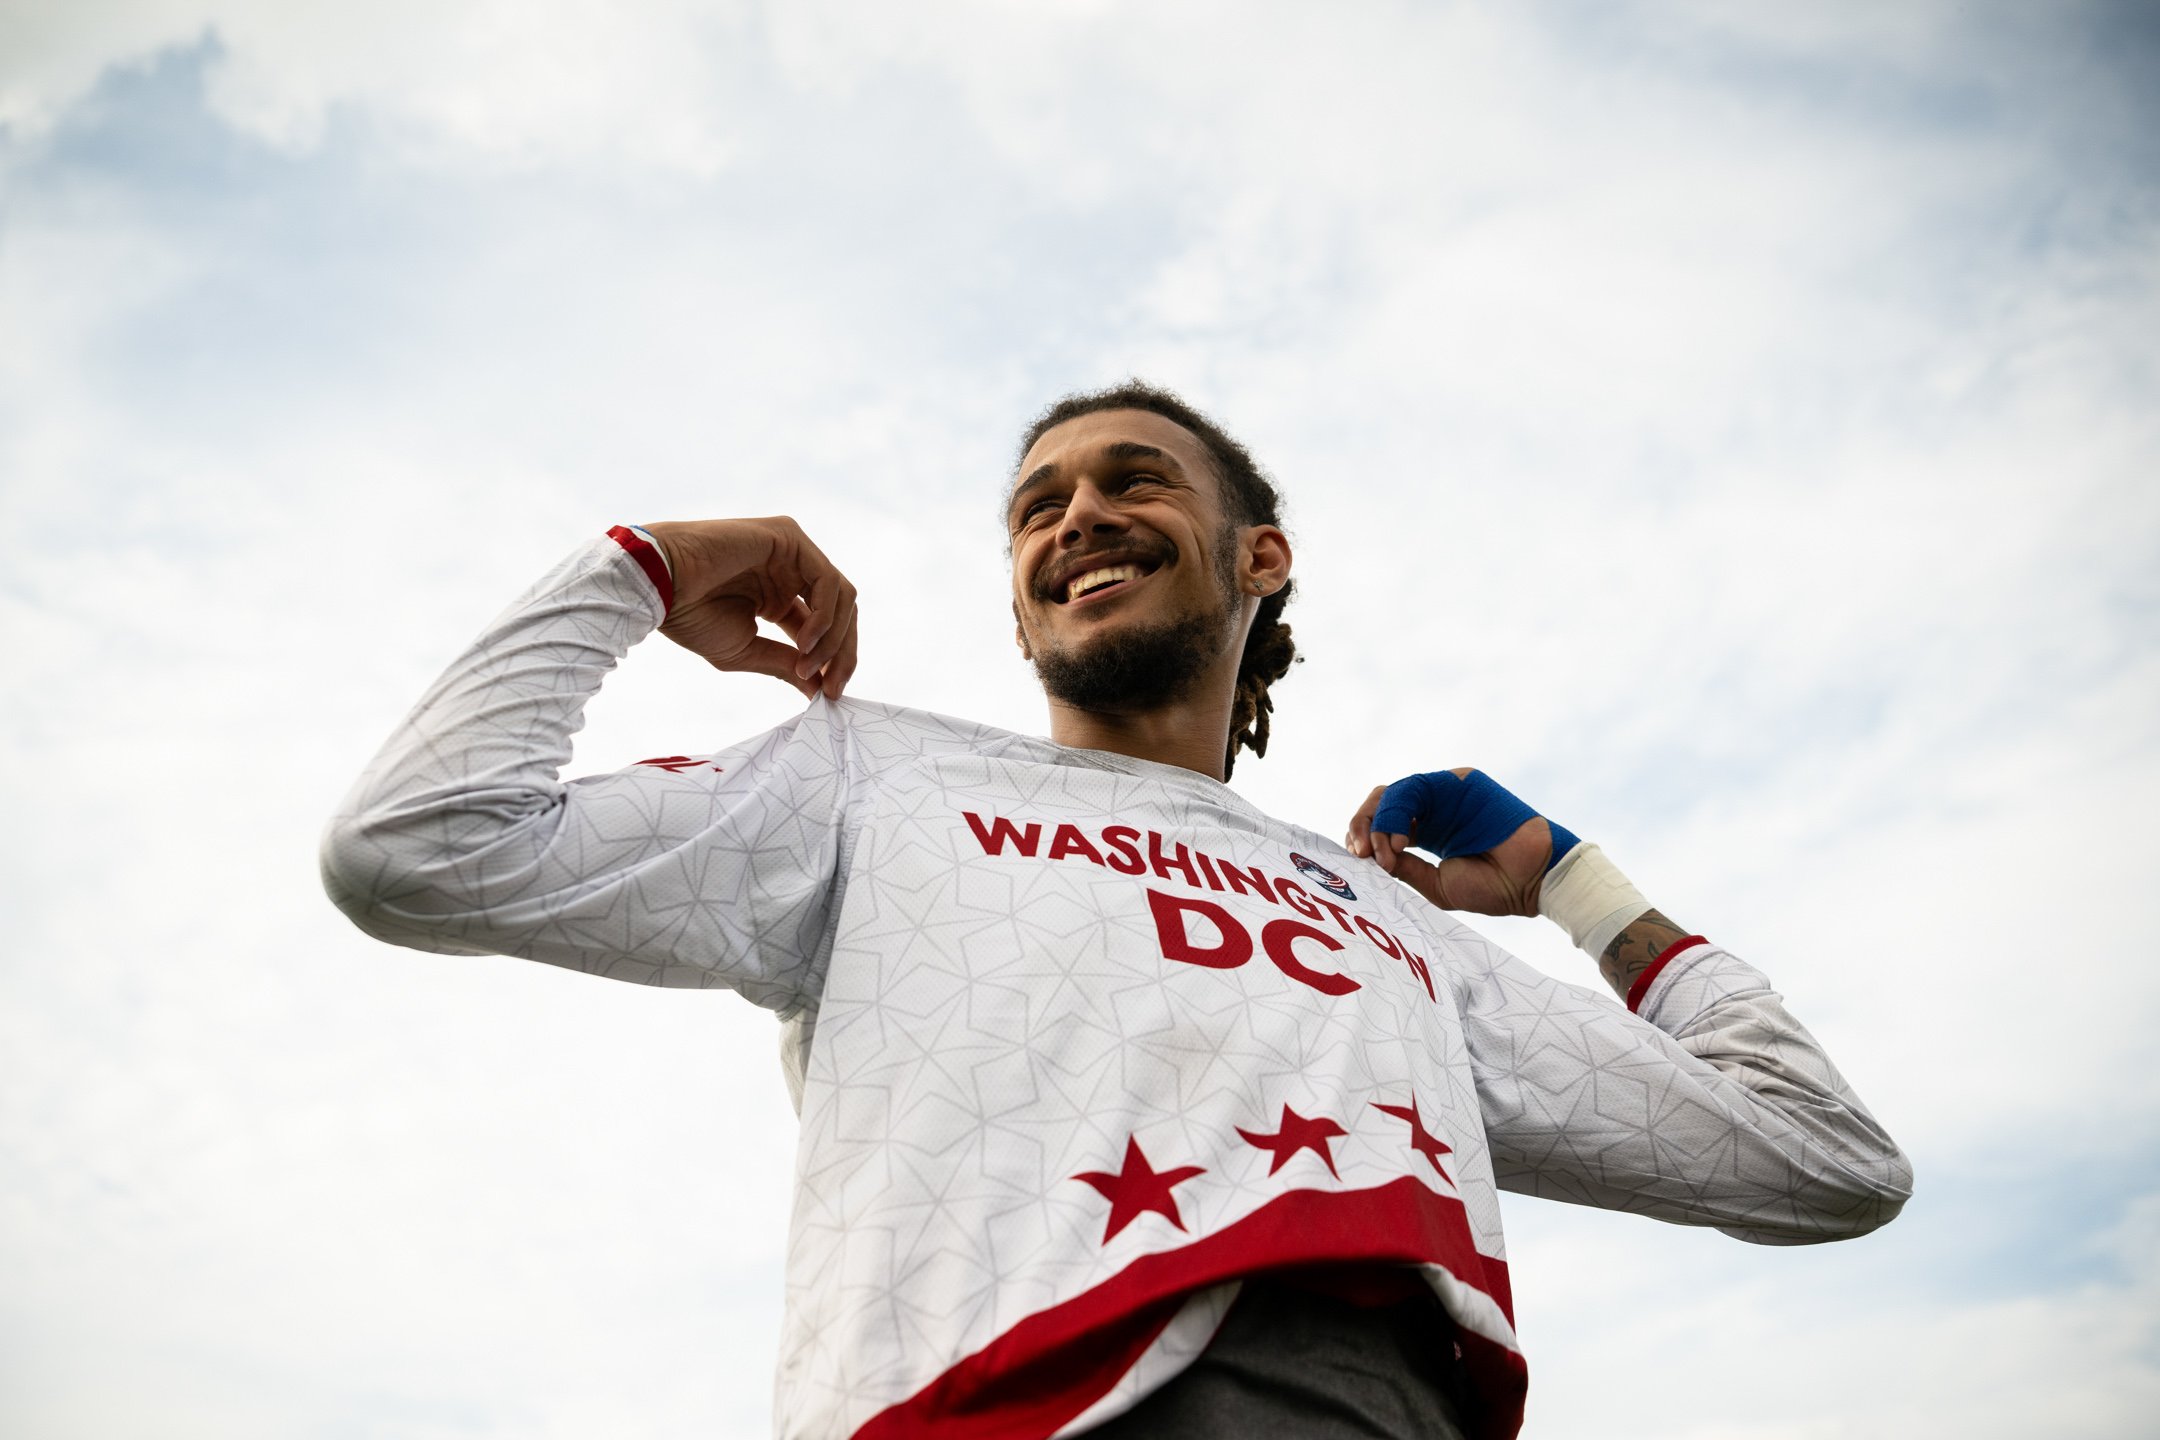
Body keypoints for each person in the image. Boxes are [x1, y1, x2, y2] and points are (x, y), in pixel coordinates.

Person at [321, 382, 1909, 1439]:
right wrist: (651, 564)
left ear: (1257, 556)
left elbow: (1826, 1161)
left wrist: (1577, 884)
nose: (1074, 515)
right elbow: (417, 842)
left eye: (1132, 479)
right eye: (1037, 507)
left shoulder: (1381, 923)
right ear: (1020, 611)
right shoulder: (870, 781)